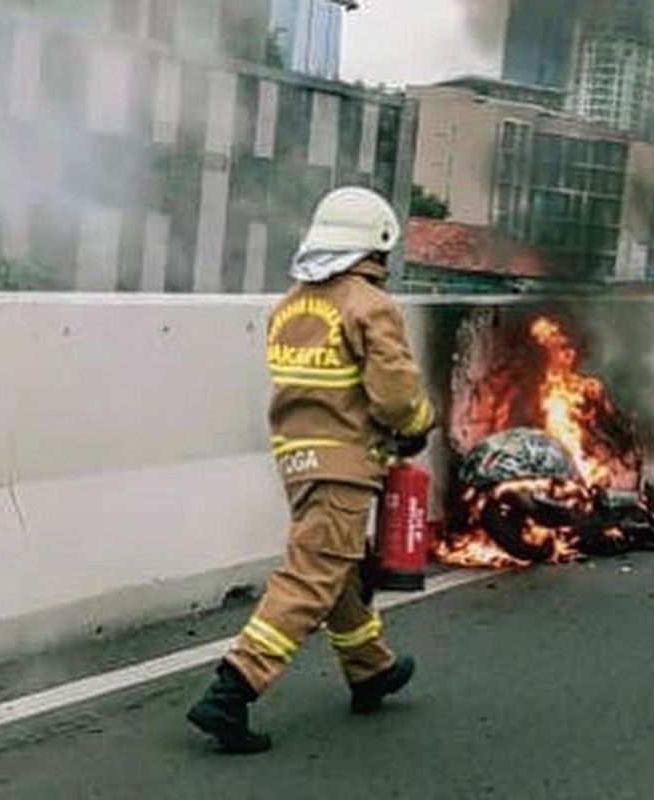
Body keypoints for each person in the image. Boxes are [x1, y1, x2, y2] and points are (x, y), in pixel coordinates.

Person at [187, 187, 436, 753]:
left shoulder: (293, 305)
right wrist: (420, 422)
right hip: (347, 462)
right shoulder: (370, 306)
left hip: (297, 459)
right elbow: (396, 395)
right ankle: (232, 689)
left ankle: (369, 667)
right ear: (374, 247)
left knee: (336, 565)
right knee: (311, 576)